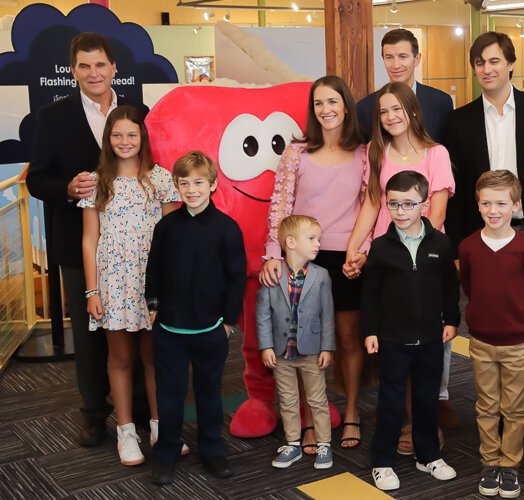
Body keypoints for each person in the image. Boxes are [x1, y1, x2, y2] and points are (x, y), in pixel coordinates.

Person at [26, 32, 150, 447]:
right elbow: (37, 179)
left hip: (135, 247)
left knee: (136, 328)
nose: (93, 73)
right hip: (81, 244)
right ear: (73, 70)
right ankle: (95, 414)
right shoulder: (52, 116)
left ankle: (138, 414)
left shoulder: (140, 111)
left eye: (101, 64)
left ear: (114, 67)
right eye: (84, 66)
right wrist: (67, 187)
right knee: (90, 331)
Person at [444, 31, 524, 437]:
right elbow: (457, 190)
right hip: (480, 239)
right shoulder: (459, 121)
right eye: (480, 62)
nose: (487, 69)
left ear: (510, 63)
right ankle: (492, 406)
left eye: (494, 61)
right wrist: (462, 245)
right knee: (486, 319)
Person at [259, 75, 366, 452]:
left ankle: (351, 412)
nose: (327, 110)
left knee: (349, 338)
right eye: (319, 103)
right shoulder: (296, 152)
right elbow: (280, 204)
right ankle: (307, 419)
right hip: (301, 259)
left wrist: (362, 249)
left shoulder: (365, 151)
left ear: (346, 106)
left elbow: (370, 206)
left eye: (333, 101)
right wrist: (274, 252)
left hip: (347, 257)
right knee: (301, 343)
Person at [347, 81, 457, 444]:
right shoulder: (375, 152)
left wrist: (418, 253)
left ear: (412, 111)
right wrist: (355, 250)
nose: (391, 117)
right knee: (392, 345)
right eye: (383, 111)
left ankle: (426, 424)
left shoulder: (435, 153)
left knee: (425, 345)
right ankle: (404, 419)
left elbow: (436, 214)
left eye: (397, 109)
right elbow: (372, 205)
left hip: (421, 262)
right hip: (386, 260)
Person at [79, 105, 180, 465]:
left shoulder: (162, 180)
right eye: (117, 135)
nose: (124, 141)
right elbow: (90, 240)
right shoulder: (96, 182)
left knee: (155, 357)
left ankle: (158, 426)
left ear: (143, 138)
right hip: (113, 285)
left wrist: (171, 287)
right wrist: (92, 291)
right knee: (120, 358)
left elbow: (173, 239)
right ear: (108, 139)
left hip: (151, 284)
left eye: (131, 134)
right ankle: (126, 431)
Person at [145, 151, 246, 485]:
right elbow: (155, 268)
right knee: (170, 395)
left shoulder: (227, 229)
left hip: (210, 328)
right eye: (184, 182)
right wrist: (154, 304)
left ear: (213, 184)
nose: (191, 189)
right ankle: (167, 452)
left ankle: (212, 450)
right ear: (176, 185)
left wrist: (228, 320)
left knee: (209, 393)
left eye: (199, 182)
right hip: (170, 329)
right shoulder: (166, 227)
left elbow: (236, 277)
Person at [362, 171, 460, 491]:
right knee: (390, 401)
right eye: (393, 204)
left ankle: (428, 454)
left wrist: (451, 320)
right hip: (392, 338)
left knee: (426, 399)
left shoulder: (441, 244)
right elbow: (371, 293)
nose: (400, 211)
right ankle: (382, 460)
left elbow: (450, 287)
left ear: (425, 205)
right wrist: (371, 330)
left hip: (431, 338)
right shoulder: (380, 248)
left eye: (408, 204)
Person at [458, 170, 524, 499]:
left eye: (501, 203)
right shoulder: (468, 247)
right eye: (486, 203)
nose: (494, 210)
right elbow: (469, 287)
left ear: (515, 205)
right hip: (479, 341)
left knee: (514, 408)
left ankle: (510, 464)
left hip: (517, 342)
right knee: (487, 405)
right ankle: (490, 461)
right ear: (477, 205)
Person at [257, 215, 335, 471]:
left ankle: (324, 444)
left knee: (317, 399)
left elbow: (327, 314)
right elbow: (263, 315)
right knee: (288, 399)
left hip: (311, 350)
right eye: (312, 238)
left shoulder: (321, 276)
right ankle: (292, 443)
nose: (318, 244)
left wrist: (327, 347)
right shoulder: (272, 274)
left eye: (318, 238)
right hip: (281, 353)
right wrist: (266, 346)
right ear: (290, 242)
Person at [356, 28, 453, 143]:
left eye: (403, 57)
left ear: (417, 59)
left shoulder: (440, 102)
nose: (396, 65)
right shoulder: (366, 107)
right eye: (389, 57)